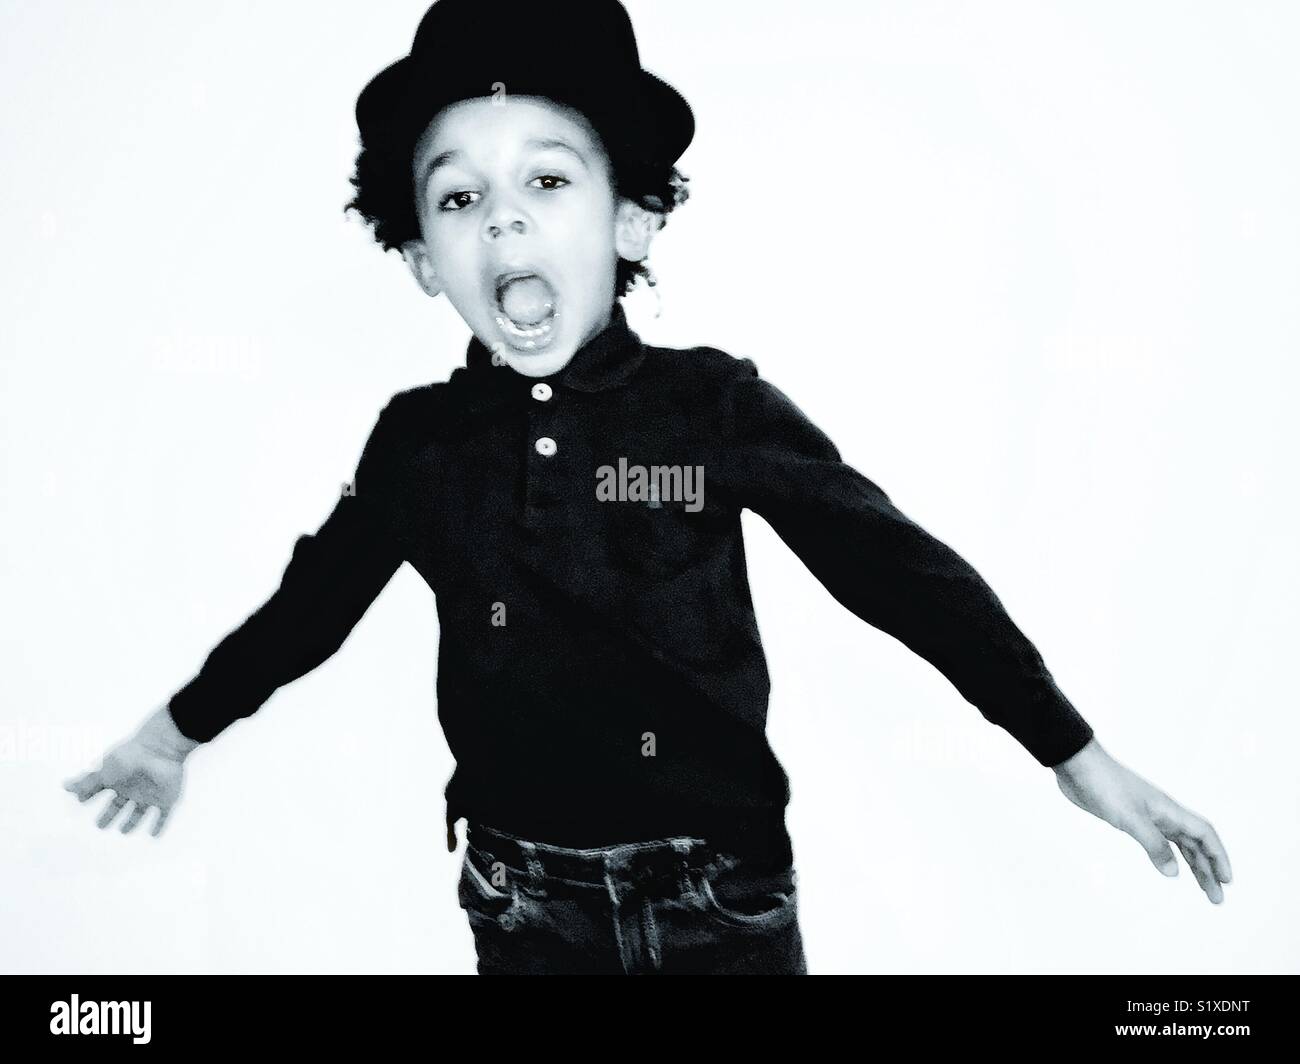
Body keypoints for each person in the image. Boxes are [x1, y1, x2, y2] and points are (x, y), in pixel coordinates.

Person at [64, 0, 1232, 975]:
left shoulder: (711, 411)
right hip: (523, 902)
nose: (504, 214)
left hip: (721, 896)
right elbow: (307, 609)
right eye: (459, 198)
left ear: (629, 218)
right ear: (423, 257)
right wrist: (169, 735)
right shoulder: (418, 448)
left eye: (548, 180)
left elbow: (900, 572)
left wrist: (1076, 754)